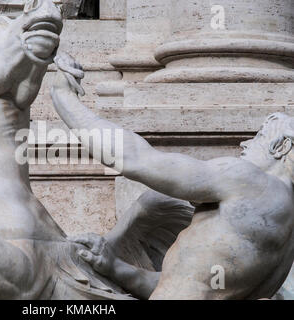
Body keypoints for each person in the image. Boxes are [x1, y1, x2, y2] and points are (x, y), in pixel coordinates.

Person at [50, 52, 294, 300]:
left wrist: (64, 97)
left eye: (259, 136)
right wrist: (113, 266)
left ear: (281, 147)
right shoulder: (286, 235)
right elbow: (184, 284)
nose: (244, 143)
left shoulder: (250, 181)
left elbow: (135, 159)